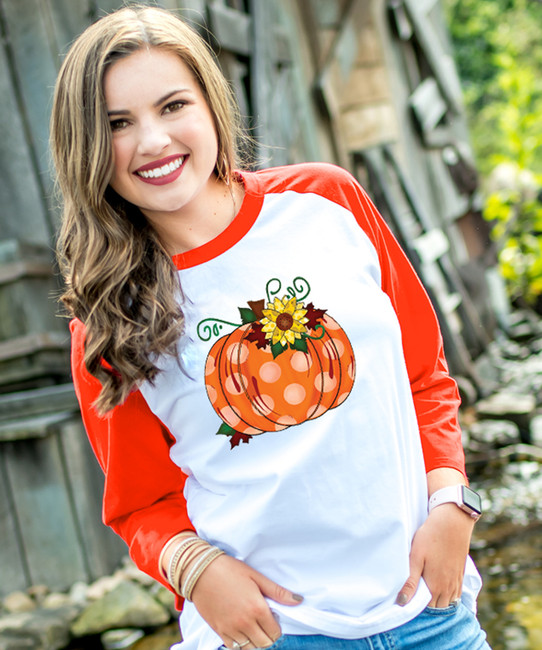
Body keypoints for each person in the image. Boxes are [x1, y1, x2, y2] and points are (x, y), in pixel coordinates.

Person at [50, 5, 491, 650]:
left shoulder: (326, 203)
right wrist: (200, 573)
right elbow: (140, 504)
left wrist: (453, 503)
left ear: (210, 106)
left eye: (173, 106)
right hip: (273, 632)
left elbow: (423, 375)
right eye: (118, 123)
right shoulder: (110, 315)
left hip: (430, 611)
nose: (152, 141)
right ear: (87, 144)